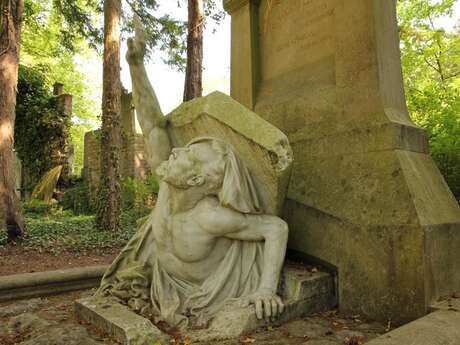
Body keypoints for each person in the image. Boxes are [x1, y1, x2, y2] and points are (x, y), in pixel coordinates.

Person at [98, 16, 288, 329]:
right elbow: (153, 124)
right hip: (163, 280)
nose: (176, 149)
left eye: (187, 153)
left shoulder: (209, 217)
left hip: (197, 294)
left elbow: (276, 228)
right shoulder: (168, 184)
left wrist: (266, 289)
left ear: (196, 180)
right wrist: (136, 64)